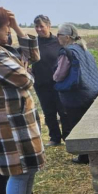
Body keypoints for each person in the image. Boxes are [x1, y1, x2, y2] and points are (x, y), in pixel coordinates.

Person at [0, 5, 54, 194]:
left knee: (29, 169)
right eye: (5, 27)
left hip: (20, 120)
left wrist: (17, 26)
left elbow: (33, 57)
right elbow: (24, 78)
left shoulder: (0, 47)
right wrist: (25, 69)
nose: (8, 31)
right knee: (18, 172)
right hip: (7, 124)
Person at [54, 23, 98, 164]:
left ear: (67, 37)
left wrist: (53, 77)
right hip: (90, 92)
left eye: (59, 35)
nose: (57, 37)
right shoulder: (84, 49)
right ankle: (93, 154)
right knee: (89, 126)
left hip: (76, 95)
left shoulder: (67, 52)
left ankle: (84, 156)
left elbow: (59, 75)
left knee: (77, 125)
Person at [32, 14, 65, 146]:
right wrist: (26, 68)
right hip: (41, 84)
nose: (39, 29)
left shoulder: (58, 42)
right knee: (49, 113)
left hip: (58, 84)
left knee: (63, 111)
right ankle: (54, 138)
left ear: (49, 26)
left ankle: (68, 137)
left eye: (42, 26)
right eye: (36, 26)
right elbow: (21, 57)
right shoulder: (32, 43)